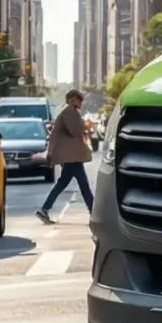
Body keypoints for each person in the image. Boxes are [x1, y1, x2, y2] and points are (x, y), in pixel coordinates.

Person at [36, 89, 93, 225]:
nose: (81, 103)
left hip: (71, 156)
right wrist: (84, 124)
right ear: (72, 99)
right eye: (79, 100)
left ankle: (44, 209)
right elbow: (74, 131)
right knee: (83, 184)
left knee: (64, 183)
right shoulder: (69, 113)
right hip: (71, 156)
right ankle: (93, 210)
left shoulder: (69, 112)